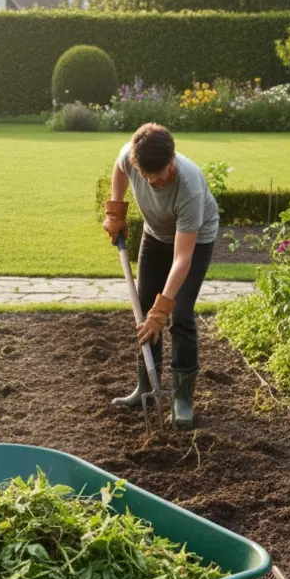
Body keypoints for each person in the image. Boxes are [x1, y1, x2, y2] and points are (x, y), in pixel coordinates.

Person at [102, 123, 219, 430]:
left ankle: (182, 398)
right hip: (155, 235)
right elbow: (119, 167)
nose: (153, 183)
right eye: (146, 177)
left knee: (179, 313)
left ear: (172, 161)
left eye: (159, 177)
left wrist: (163, 307)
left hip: (196, 240)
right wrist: (116, 210)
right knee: (143, 308)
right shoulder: (132, 155)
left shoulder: (189, 186)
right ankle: (145, 385)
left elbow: (182, 259)